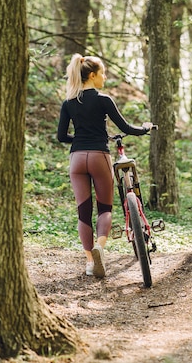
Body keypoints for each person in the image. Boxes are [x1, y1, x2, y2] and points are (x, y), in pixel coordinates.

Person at [57, 53, 153, 278]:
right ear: (92, 75)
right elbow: (126, 127)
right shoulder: (103, 99)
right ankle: (99, 246)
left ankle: (90, 262)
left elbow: (62, 136)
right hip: (99, 156)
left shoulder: (68, 102)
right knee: (104, 209)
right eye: (103, 73)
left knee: (83, 211)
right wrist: (145, 128)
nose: (105, 77)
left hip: (77, 159)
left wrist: (81, 140)